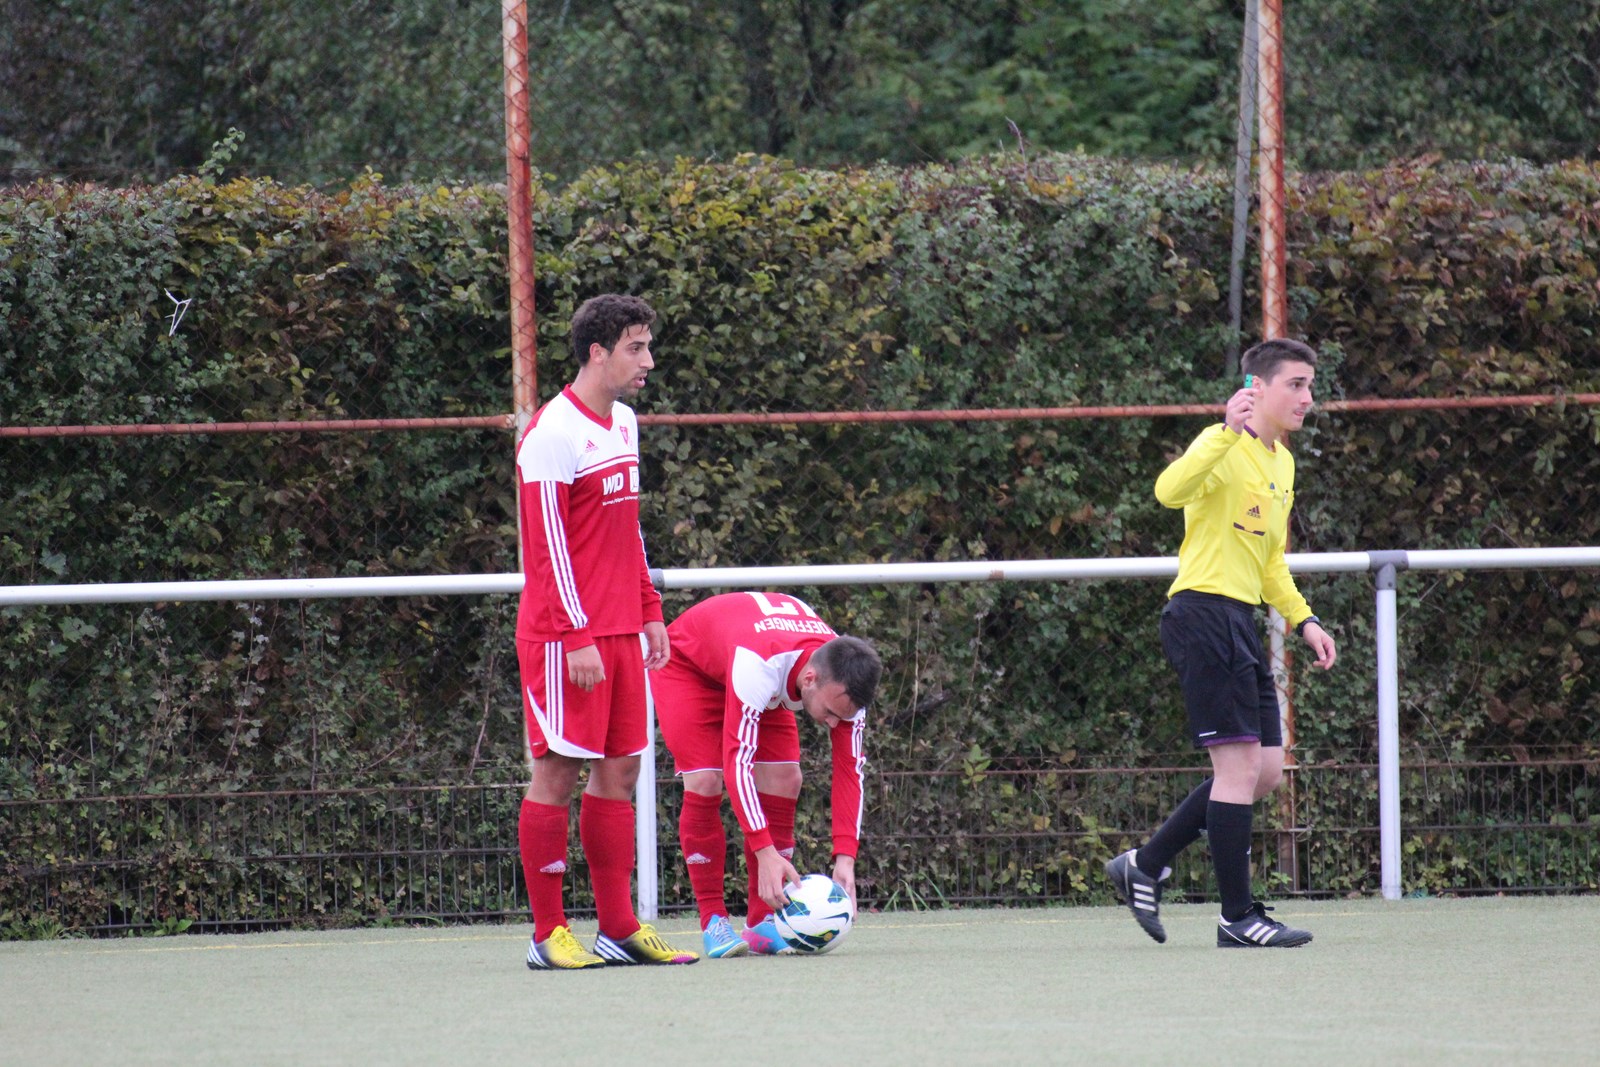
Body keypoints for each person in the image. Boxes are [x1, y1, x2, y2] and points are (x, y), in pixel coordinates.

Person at [1106, 337, 1338, 949]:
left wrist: (1304, 619)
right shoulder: (1221, 446)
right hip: (1202, 613)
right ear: (1254, 389)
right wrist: (1220, 432)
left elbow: (1270, 564)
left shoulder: (1282, 464)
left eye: (1310, 386)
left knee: (1264, 772)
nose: (1307, 397)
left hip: (1241, 620)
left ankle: (1146, 862)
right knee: (1235, 770)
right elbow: (1167, 491)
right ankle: (1237, 919)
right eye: (1295, 384)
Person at [515, 293, 698, 969]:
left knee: (620, 771)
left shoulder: (623, 423)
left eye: (648, 346)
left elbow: (627, 530)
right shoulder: (552, 433)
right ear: (597, 352)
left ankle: (618, 928)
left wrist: (649, 607)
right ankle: (547, 934)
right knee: (558, 772)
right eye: (636, 347)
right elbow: (548, 546)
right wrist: (578, 633)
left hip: (622, 630)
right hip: (567, 637)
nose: (648, 361)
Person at [652, 590, 882, 957]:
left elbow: (850, 771)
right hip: (690, 669)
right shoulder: (759, 664)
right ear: (809, 680)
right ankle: (714, 920)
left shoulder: (845, 689)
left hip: (761, 677)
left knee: (786, 778)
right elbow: (737, 764)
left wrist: (845, 858)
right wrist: (764, 850)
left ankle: (761, 925)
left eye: (845, 716)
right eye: (831, 712)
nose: (836, 723)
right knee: (707, 779)